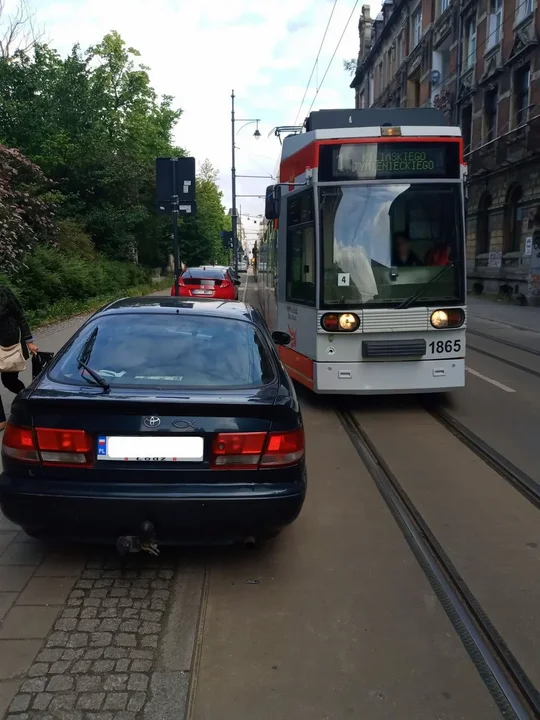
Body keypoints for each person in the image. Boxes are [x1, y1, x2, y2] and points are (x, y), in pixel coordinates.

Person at [0, 286, 38, 431]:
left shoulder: (4, 292)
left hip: (9, 345)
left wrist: (29, 342)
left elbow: (20, 317)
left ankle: (27, 398)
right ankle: (1, 420)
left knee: (9, 381)